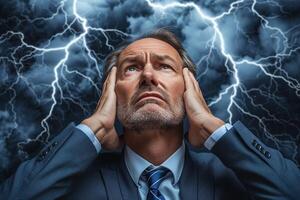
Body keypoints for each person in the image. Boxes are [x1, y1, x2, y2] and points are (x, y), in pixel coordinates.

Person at [1, 29, 300, 200]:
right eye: (131, 68)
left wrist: (212, 129)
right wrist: (93, 128)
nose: (147, 75)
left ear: (189, 88)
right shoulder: (72, 181)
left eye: (164, 66)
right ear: (111, 91)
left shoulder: (234, 173)